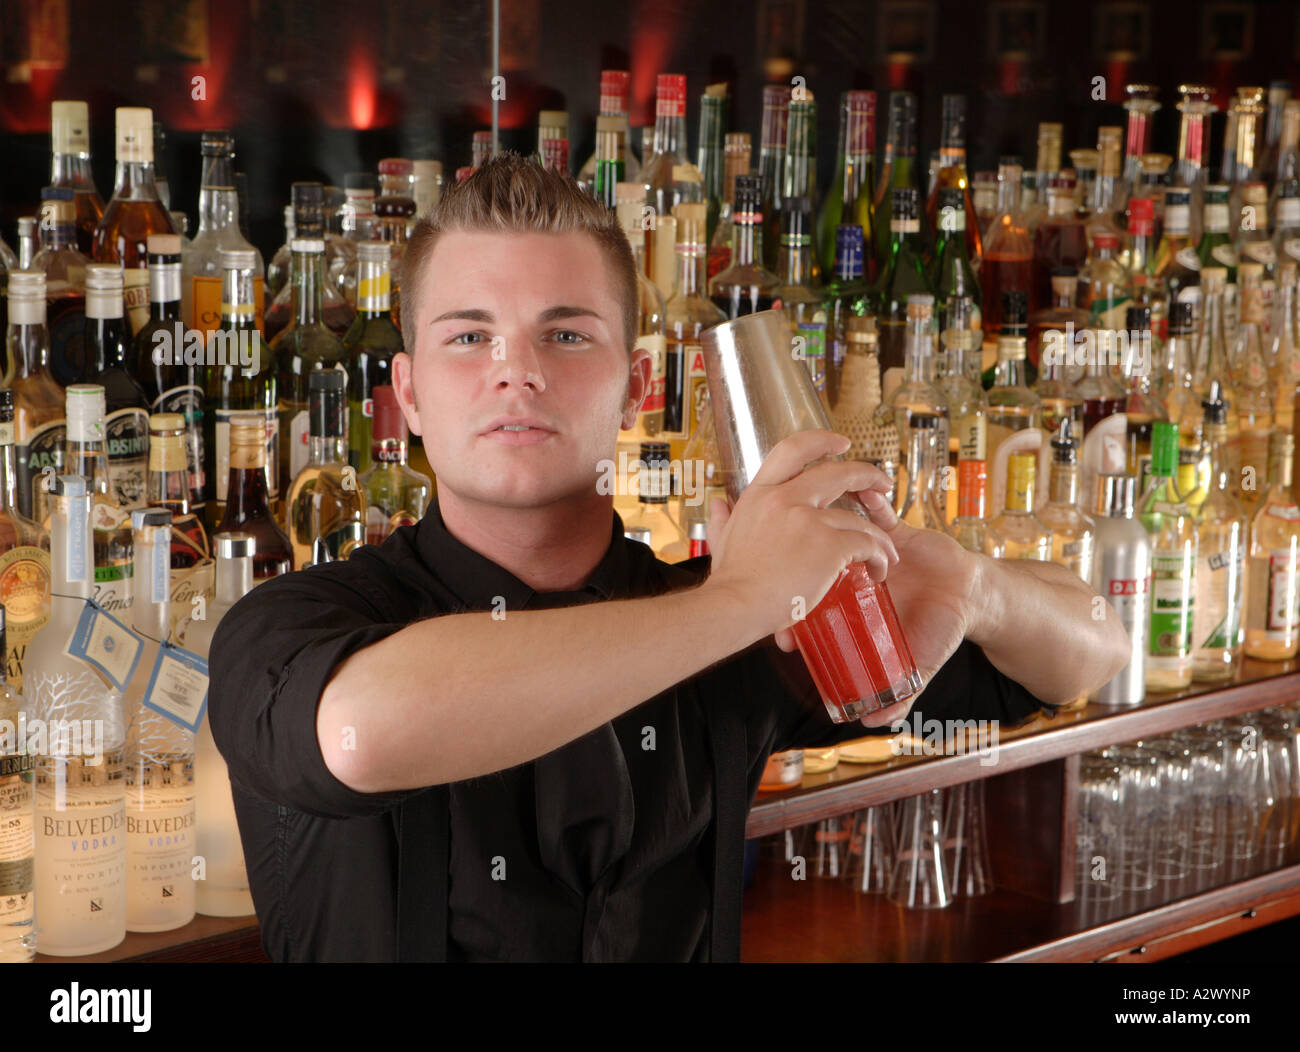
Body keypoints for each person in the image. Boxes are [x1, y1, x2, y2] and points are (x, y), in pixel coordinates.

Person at [207, 153, 1129, 962]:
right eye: (468, 336)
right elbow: (366, 731)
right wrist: (742, 600)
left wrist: (971, 586)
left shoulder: (742, 623)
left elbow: (1090, 651)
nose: (514, 368)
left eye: (566, 334)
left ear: (637, 385)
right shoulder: (289, 627)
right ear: (406, 395)